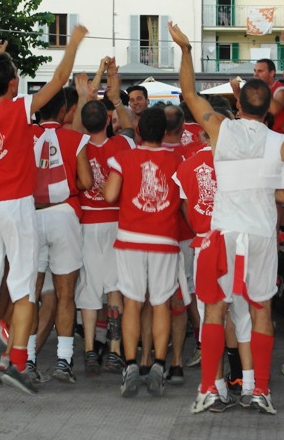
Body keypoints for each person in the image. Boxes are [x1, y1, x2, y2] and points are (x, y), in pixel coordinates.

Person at [169, 21, 284, 415]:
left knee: (216, 309)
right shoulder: (283, 145)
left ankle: (210, 388)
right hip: (261, 234)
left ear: (239, 104)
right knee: (261, 310)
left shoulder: (219, 129)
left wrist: (187, 49)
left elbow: (189, 92)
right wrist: (261, 188)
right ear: (269, 109)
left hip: (223, 234)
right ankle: (259, 390)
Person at [0, 28, 86, 393]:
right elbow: (60, 80)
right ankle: (18, 361)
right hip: (16, 205)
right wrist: (74, 44)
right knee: (22, 285)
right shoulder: (19, 107)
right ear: (15, 82)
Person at [103, 106, 184, 398]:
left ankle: (131, 366)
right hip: (165, 239)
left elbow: (111, 195)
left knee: (133, 303)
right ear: (165, 132)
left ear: (138, 130)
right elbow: (185, 205)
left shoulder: (123, 159)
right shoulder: (178, 161)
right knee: (161, 302)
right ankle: (160, 365)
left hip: (130, 239)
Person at [28, 87, 93, 384]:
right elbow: (87, 181)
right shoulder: (75, 138)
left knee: (30, 293)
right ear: (65, 111)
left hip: (29, 216)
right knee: (66, 294)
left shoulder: (23, 136)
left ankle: (26, 358)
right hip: (63, 215)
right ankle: (63, 360)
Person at [74, 64, 134, 376]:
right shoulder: (122, 144)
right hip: (116, 224)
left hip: (87, 223)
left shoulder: (76, 145)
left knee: (87, 287)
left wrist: (84, 97)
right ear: (108, 120)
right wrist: (116, 95)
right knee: (114, 287)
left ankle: (87, 351)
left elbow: (74, 127)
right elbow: (130, 126)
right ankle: (113, 350)